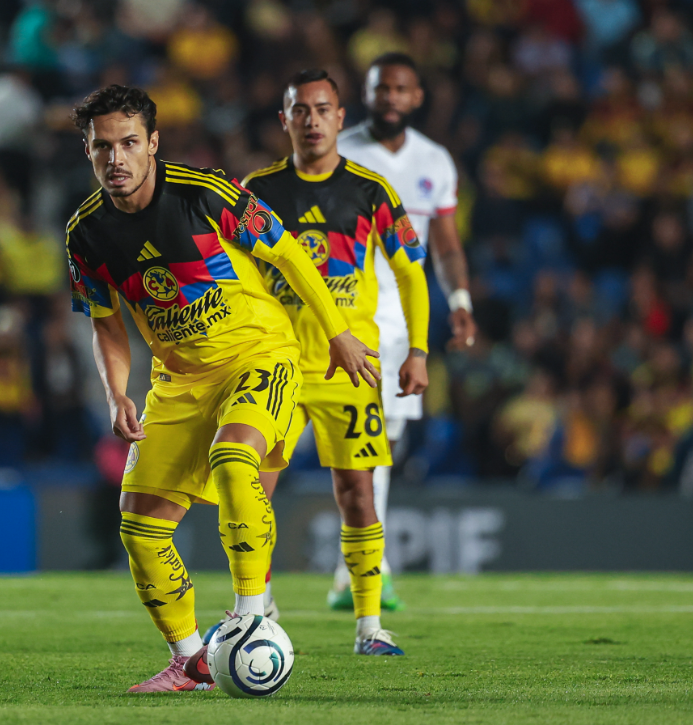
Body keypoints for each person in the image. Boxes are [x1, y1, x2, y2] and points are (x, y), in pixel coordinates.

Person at [65, 85, 377, 692]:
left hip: (257, 354)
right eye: (103, 147)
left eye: (129, 143)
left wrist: (337, 333)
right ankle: (192, 661)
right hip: (178, 382)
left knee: (235, 458)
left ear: (153, 143)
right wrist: (116, 392)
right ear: (88, 151)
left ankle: (251, 617)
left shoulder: (204, 193)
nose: (116, 159)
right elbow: (105, 322)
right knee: (139, 527)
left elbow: (288, 254)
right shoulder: (86, 233)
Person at [239, 69, 431, 655]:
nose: (313, 120)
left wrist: (418, 349)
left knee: (358, 493)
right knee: (252, 490)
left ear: (342, 118)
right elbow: (237, 273)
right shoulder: (257, 191)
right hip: (277, 365)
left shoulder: (372, 191)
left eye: (324, 109)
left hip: (351, 370)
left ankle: (370, 627)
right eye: (301, 110)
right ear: (285, 120)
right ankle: (255, 609)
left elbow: (410, 271)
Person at [334, 52, 478, 610]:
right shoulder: (340, 149)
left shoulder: (435, 161)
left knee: (384, 438)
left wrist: (460, 299)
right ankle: (364, 566)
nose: (390, 97)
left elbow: (445, 243)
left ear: (417, 97)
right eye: (380, 89)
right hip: (346, 309)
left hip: (404, 313)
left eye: (400, 89)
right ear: (366, 96)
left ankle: (363, 565)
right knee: (353, 433)